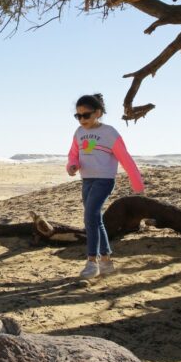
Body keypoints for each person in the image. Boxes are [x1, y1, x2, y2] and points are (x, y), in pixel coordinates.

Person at [66, 93, 145, 279]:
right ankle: (107, 261)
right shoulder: (79, 133)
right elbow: (73, 155)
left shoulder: (109, 133)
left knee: (90, 216)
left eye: (86, 115)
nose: (82, 119)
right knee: (96, 219)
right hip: (87, 180)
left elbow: (125, 158)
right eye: (78, 116)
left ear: (98, 113)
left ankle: (92, 261)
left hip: (104, 180)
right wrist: (72, 166)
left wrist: (137, 185)